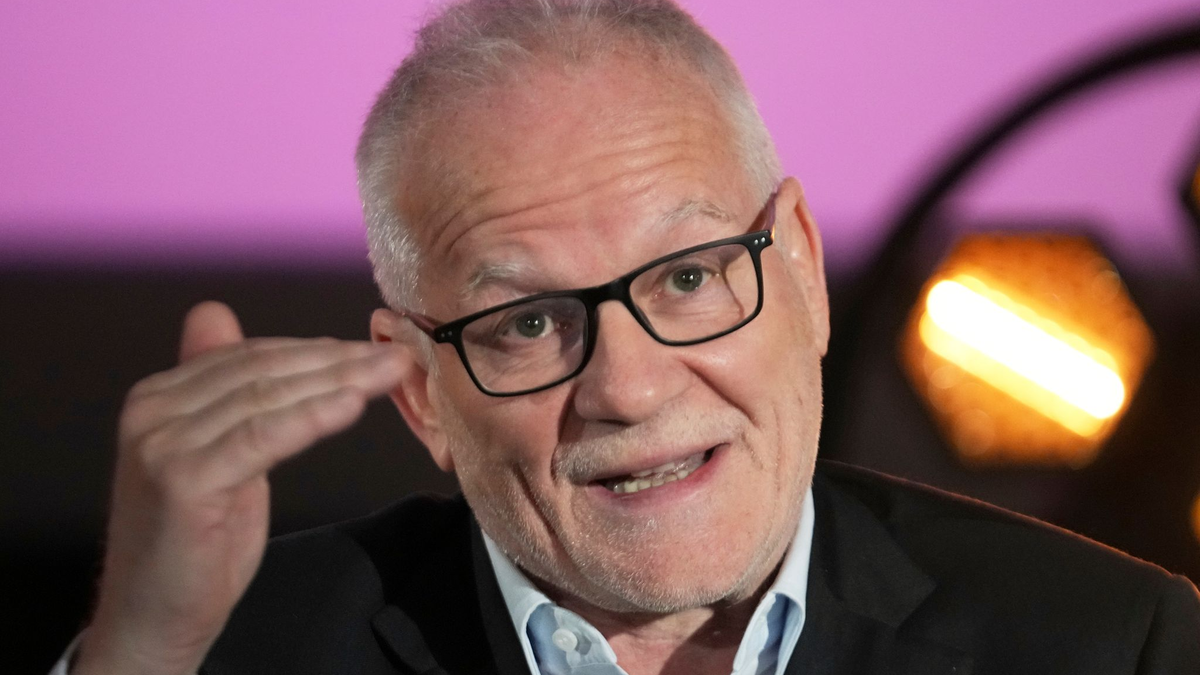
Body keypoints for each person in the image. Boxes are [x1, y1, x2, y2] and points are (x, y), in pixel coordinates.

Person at [57, 1, 1200, 673]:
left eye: (692, 275)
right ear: (418, 392)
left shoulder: (1110, 644)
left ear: (798, 263)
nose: (632, 388)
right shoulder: (230, 651)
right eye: (528, 323)